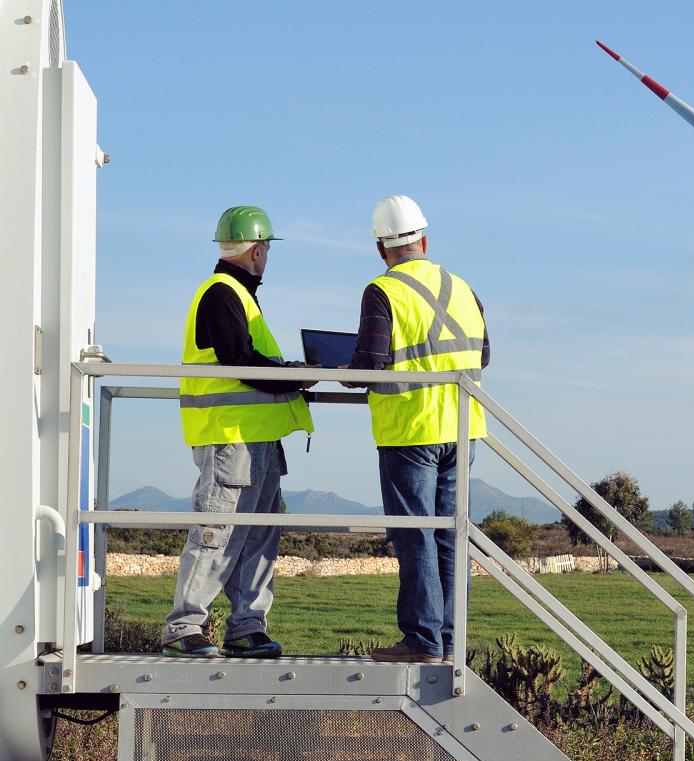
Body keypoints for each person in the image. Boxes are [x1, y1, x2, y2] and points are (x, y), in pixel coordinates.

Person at [162, 206, 317, 659]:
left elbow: (249, 360)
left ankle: (246, 627)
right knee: (219, 527)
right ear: (257, 250)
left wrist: (293, 373)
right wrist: (294, 377)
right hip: (231, 438)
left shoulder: (239, 296)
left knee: (258, 533)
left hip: (257, 440)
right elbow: (239, 361)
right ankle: (183, 626)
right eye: (266, 249)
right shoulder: (221, 293)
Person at [345, 195, 489, 663]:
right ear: (424, 240)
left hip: (410, 429)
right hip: (463, 429)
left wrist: (342, 370)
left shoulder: (381, 291)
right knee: (450, 533)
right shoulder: (463, 287)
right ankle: (449, 641)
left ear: (380, 249)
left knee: (415, 534)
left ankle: (422, 642)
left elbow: (369, 364)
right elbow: (482, 355)